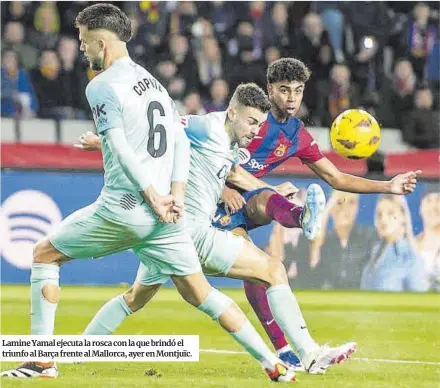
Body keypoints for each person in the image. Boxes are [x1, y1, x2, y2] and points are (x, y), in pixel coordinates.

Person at [1, 5, 297, 383]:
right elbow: (178, 141)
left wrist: (152, 194)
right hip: (167, 219)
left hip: (125, 207)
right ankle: (273, 365)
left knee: (44, 254)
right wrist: (173, 194)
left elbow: (120, 148)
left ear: (101, 41)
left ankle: (41, 363)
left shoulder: (101, 85)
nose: (80, 47)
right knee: (203, 295)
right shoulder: (153, 83)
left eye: (83, 40)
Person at [78, 57, 422, 370]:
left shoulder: (296, 135)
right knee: (264, 260)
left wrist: (388, 186)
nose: (291, 98)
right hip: (203, 212)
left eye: (298, 91)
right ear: (269, 89)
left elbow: (335, 177)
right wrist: (108, 140)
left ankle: (77, 353)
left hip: (194, 221)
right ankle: (301, 223)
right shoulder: (239, 118)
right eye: (284, 90)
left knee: (141, 296)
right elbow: (169, 132)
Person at [361, 196, 425, 292]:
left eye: (390, 213)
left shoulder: (410, 256)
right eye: (379, 214)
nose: (383, 219)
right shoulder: (373, 252)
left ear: (403, 217)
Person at [416, 191, 440, 291]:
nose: (434, 207)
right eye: (428, 200)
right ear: (420, 209)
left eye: (439, 200)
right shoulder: (409, 245)